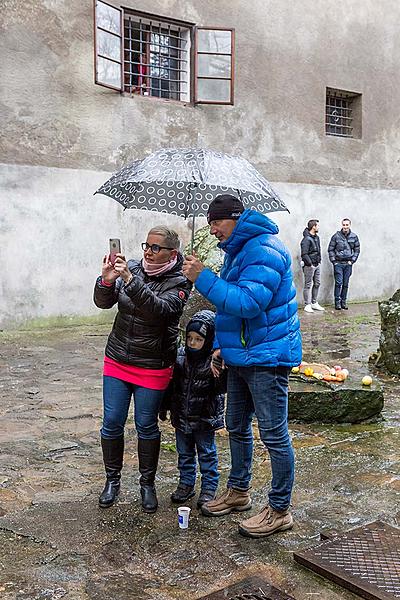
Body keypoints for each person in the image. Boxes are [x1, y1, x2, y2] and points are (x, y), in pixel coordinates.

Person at [182, 194, 302, 539]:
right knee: (235, 424)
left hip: (267, 357)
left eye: (217, 221)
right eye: (210, 223)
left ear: (235, 219)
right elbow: (230, 308)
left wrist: (202, 278)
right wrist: (220, 347)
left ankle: (279, 509)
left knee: (274, 434)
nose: (213, 229)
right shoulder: (239, 252)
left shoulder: (263, 249)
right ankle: (238, 491)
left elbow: (249, 303)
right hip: (243, 356)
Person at [93, 226, 192, 513]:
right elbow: (103, 303)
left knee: (146, 426)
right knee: (112, 421)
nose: (148, 251)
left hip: (152, 365)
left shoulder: (181, 281)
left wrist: (129, 279)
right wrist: (107, 281)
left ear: (172, 253)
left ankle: (146, 484)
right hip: (118, 358)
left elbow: (159, 310)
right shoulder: (132, 268)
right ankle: (112, 481)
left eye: (155, 247)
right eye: (146, 245)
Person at [161, 310, 226, 509]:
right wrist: (164, 406)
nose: (192, 343)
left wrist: (222, 368)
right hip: (181, 414)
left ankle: (209, 487)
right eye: (189, 338)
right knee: (184, 453)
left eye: (198, 339)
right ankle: (186, 483)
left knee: (206, 453)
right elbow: (170, 385)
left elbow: (221, 389)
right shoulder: (180, 356)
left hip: (204, 417)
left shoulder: (213, 362)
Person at [328, 218, 360, 310]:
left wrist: (352, 261)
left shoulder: (354, 236)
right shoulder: (336, 236)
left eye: (347, 225)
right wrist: (334, 262)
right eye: (344, 225)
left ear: (350, 225)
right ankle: (337, 302)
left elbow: (357, 250)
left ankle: (343, 302)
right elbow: (331, 249)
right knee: (339, 283)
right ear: (342, 225)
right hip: (338, 263)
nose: (345, 227)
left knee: (345, 284)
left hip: (348, 264)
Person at [300, 219, 324, 313]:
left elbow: (318, 250)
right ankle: (307, 304)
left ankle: (314, 303)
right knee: (308, 285)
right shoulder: (306, 239)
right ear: (313, 226)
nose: (318, 227)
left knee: (317, 283)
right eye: (317, 225)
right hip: (309, 266)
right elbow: (304, 254)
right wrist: (310, 264)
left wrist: (319, 261)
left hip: (317, 264)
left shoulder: (316, 237)